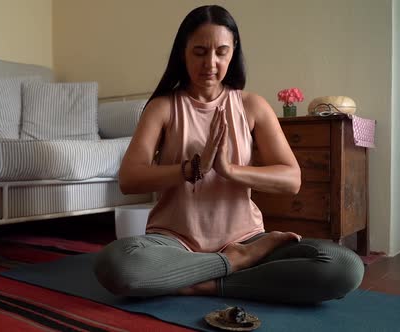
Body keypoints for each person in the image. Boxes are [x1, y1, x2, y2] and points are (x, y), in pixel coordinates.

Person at [93, 5, 364, 304]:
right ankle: (235, 264)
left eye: (221, 52)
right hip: (174, 244)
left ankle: (204, 281)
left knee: (344, 266)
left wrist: (228, 170)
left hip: (247, 239)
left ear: (234, 51)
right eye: (199, 51)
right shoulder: (163, 108)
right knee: (116, 264)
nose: (210, 63)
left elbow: (291, 179)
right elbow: (130, 179)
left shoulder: (252, 106)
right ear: (182, 52)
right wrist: (192, 168)